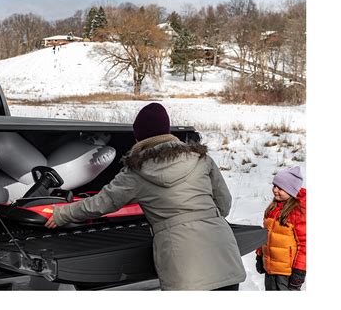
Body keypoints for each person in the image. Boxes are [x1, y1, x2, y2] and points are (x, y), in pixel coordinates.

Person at [45, 103, 246, 290]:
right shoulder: (201, 159)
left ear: (138, 137)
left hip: (184, 263)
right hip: (222, 253)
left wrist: (63, 214)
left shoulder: (137, 171)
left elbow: (101, 203)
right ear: (167, 131)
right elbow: (224, 204)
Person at [255, 166, 306, 290]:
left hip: (287, 273)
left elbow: (304, 244)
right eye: (274, 186)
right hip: (270, 269)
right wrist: (260, 255)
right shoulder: (272, 208)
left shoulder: (298, 211)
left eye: (281, 188)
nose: (275, 190)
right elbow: (265, 235)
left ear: (291, 190)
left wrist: (299, 271)